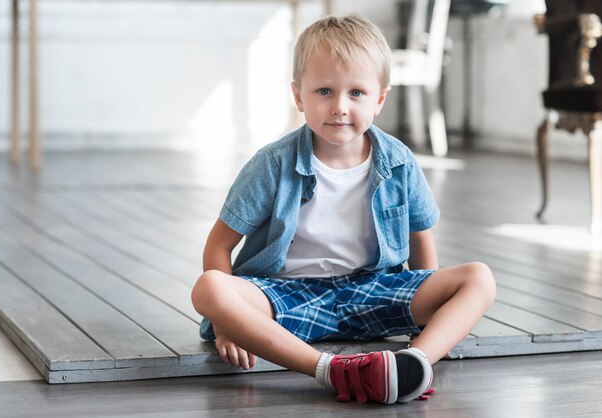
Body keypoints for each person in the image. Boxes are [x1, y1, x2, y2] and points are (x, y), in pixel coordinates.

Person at [191, 14, 496, 405]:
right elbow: (218, 246)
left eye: (356, 93)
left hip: (372, 290)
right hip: (288, 296)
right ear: (298, 96)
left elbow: (421, 241)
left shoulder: (398, 161)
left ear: (379, 99)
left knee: (480, 278)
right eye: (323, 91)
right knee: (209, 287)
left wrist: (425, 316)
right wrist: (225, 326)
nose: (339, 106)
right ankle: (329, 369)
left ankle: (415, 361)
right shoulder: (273, 163)